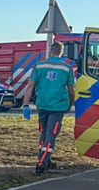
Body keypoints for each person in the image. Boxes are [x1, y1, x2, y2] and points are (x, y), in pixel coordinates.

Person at [23, 41, 75, 174]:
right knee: (51, 134)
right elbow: (71, 90)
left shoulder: (39, 65)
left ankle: (45, 158)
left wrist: (26, 104)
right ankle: (42, 162)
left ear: (50, 51)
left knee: (44, 132)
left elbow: (30, 86)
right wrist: (70, 103)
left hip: (42, 104)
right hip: (58, 106)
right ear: (61, 52)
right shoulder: (66, 67)